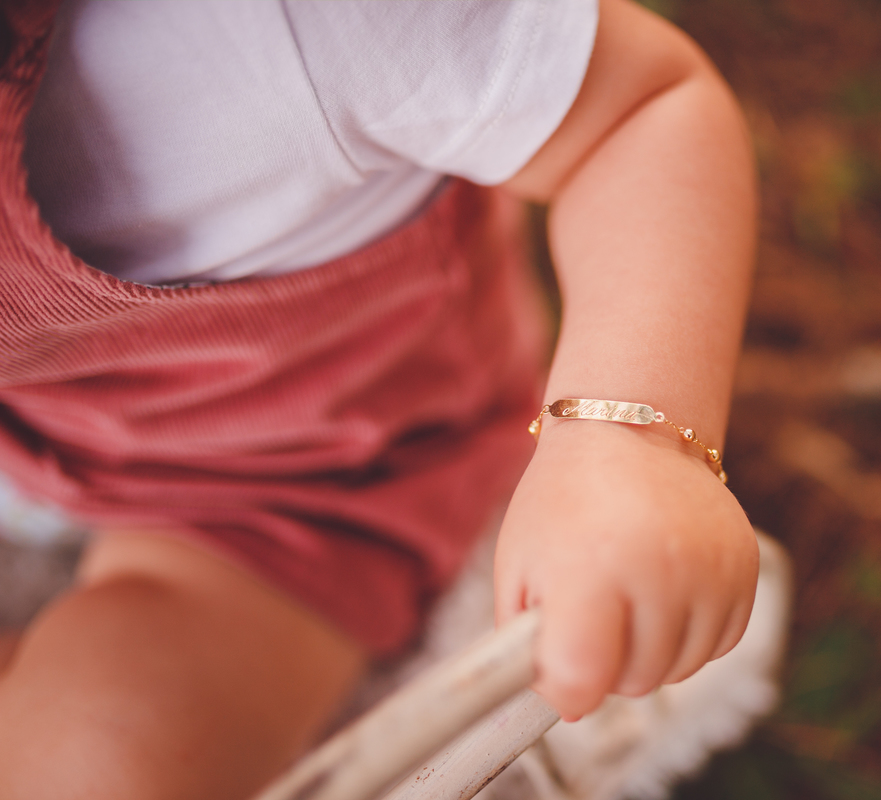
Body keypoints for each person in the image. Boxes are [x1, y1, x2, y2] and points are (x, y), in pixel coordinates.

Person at [0, 0, 759, 797]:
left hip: (285, 479)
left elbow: (640, 113)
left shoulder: (295, 23)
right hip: (35, 410)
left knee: (104, 762)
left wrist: (628, 440)